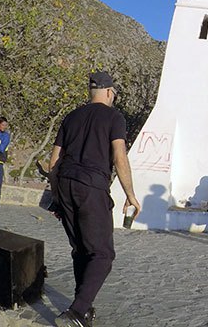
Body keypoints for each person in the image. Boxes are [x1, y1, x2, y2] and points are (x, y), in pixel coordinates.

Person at [48, 72, 140, 327]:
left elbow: (53, 162)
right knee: (102, 254)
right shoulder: (114, 117)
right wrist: (130, 194)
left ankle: (84, 310)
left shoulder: (71, 116)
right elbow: (119, 156)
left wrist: (56, 198)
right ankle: (75, 312)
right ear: (110, 92)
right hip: (91, 186)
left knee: (81, 250)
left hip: (65, 183)